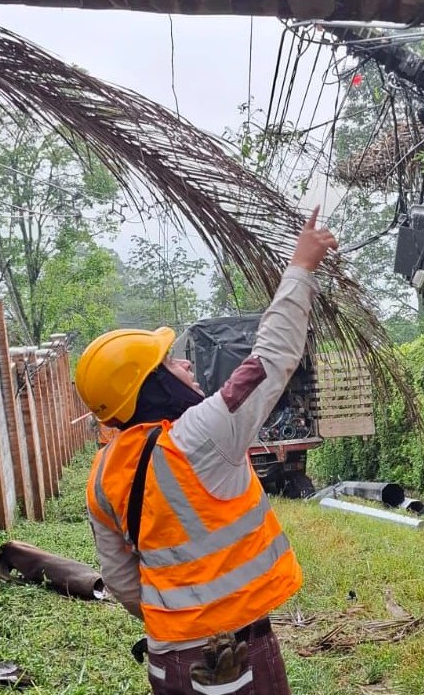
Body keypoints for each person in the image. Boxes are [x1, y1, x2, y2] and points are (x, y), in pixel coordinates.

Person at [74, 207, 338, 694]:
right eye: (167, 362)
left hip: (167, 662)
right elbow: (272, 357)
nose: (183, 363)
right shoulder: (199, 435)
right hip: (230, 660)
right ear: (149, 384)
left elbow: (122, 580)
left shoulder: (101, 473)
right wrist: (301, 267)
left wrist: (178, 615)